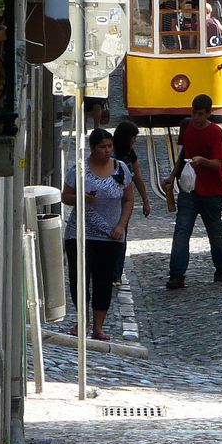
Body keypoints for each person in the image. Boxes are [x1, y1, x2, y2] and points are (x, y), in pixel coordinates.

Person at [62, 128, 134, 340]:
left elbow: (129, 199)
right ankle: (82, 321)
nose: (107, 150)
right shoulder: (80, 170)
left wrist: (122, 225)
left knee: (103, 281)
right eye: (102, 147)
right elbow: (66, 196)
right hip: (79, 234)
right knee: (80, 280)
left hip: (110, 236)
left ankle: (98, 328)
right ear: (93, 148)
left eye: (109, 146)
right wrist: (81, 198)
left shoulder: (120, 168)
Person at [161, 94, 222, 289]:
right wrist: (173, 175)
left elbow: (217, 164)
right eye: (194, 113)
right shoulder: (187, 126)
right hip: (189, 189)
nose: (196, 118)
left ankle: (221, 268)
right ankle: (177, 274)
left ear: (208, 113)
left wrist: (202, 161)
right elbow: (184, 154)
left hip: (212, 191)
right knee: (181, 231)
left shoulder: (215, 132)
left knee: (214, 231)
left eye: (200, 114)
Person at [111, 120, 151, 284]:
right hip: (109, 201)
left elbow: (137, 177)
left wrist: (145, 199)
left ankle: (116, 275)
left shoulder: (130, 153)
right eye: (133, 138)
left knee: (121, 237)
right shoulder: (110, 152)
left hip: (124, 202)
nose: (134, 141)